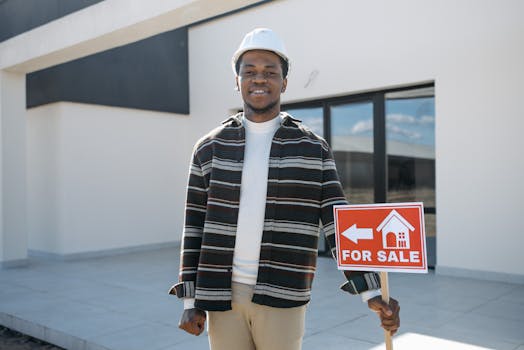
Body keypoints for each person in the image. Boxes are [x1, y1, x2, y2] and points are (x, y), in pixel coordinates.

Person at [169, 28, 400, 350]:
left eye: (270, 72)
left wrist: (371, 291)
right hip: (222, 294)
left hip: (284, 292)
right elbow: (193, 224)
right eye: (249, 72)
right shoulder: (209, 147)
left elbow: (338, 220)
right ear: (237, 81)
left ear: (284, 82)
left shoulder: (312, 147)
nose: (259, 79)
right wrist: (189, 300)